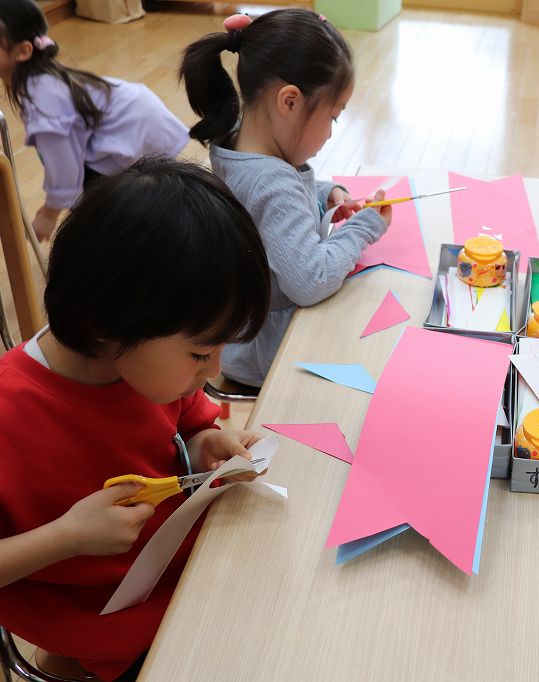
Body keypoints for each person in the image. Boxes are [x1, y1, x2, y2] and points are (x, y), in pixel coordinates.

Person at [0, 157, 271, 681]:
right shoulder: (11, 412)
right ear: (107, 324)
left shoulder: (144, 365)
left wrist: (204, 444)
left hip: (180, 567)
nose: (215, 372)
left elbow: (188, 427)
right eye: (201, 353)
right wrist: (67, 538)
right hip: (100, 614)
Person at [180, 9, 392, 388]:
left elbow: (271, 196)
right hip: (274, 354)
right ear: (290, 101)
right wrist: (363, 228)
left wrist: (326, 193)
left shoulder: (236, 139)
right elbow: (311, 280)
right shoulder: (271, 182)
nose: (331, 133)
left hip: (243, 332)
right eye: (333, 117)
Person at [0, 0, 189, 240]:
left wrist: (48, 214)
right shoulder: (40, 83)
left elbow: (65, 167)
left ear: (23, 51)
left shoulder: (44, 102)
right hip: (134, 115)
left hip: (132, 127)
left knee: (112, 210)